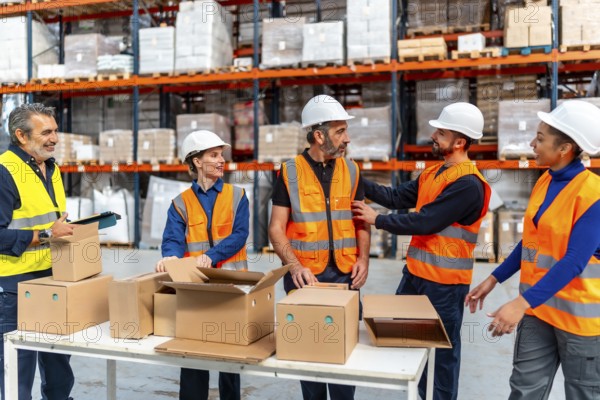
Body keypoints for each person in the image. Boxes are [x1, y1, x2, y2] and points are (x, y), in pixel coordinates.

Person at [352, 102, 491, 400]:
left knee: (441, 357)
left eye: (440, 133)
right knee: (403, 341)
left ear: (459, 142)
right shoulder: (433, 174)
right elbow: (394, 196)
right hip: (415, 276)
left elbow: (427, 221)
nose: (434, 137)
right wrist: (353, 176)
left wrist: (377, 220)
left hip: (445, 286)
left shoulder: (469, 185)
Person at [466, 100, 600, 400]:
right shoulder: (544, 182)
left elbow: (575, 262)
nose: (532, 143)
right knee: (524, 391)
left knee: (583, 395)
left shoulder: (593, 194)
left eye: (540, 139)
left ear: (564, 148)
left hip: (579, 321)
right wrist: (494, 279)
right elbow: (531, 242)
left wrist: (519, 304)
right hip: (538, 311)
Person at [269, 94, 370, 400]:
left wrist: (364, 258)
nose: (346, 139)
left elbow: (361, 221)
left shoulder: (351, 171)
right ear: (318, 135)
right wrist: (295, 266)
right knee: (310, 363)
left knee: (343, 364)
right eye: (340, 132)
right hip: (305, 280)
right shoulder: (288, 172)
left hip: (345, 277)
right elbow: (276, 228)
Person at [155, 130, 249, 400]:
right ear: (196, 161)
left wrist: (212, 255)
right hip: (194, 290)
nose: (222, 161)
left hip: (232, 288)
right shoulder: (180, 203)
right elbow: (172, 239)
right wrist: (171, 257)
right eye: (214, 155)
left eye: (222, 155)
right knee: (193, 354)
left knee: (230, 358)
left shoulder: (237, 196)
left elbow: (240, 234)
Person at [0, 103, 75, 400]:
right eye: (46, 132)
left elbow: (50, 219)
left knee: (58, 363)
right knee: (18, 371)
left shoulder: (50, 167)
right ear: (21, 135)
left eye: (55, 130)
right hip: (14, 287)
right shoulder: (5, 171)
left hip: (52, 279)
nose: (54, 138)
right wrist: (46, 235)